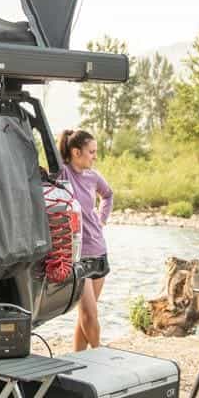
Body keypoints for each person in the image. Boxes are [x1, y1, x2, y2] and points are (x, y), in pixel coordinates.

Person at [57, 129, 113, 352]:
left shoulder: (94, 177)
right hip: (77, 256)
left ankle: (79, 359)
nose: (94, 156)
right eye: (91, 152)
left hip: (98, 250)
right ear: (76, 152)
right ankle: (100, 354)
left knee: (86, 314)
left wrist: (102, 219)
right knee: (89, 313)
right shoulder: (61, 173)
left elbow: (108, 195)